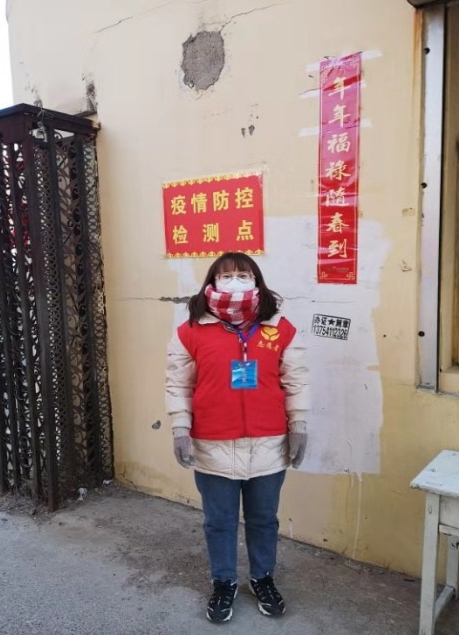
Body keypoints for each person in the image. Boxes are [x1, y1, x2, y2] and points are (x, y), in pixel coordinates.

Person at [165, 252, 310, 623]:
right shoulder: (191, 330)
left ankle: (262, 578)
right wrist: (180, 427)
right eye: (225, 275)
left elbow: (296, 380)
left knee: (264, 520)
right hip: (213, 443)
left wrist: (299, 424)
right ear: (212, 283)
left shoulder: (280, 328)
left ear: (256, 281)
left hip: (268, 443)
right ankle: (223, 581)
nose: (235, 281)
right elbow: (178, 383)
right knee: (219, 521)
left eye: (243, 275)